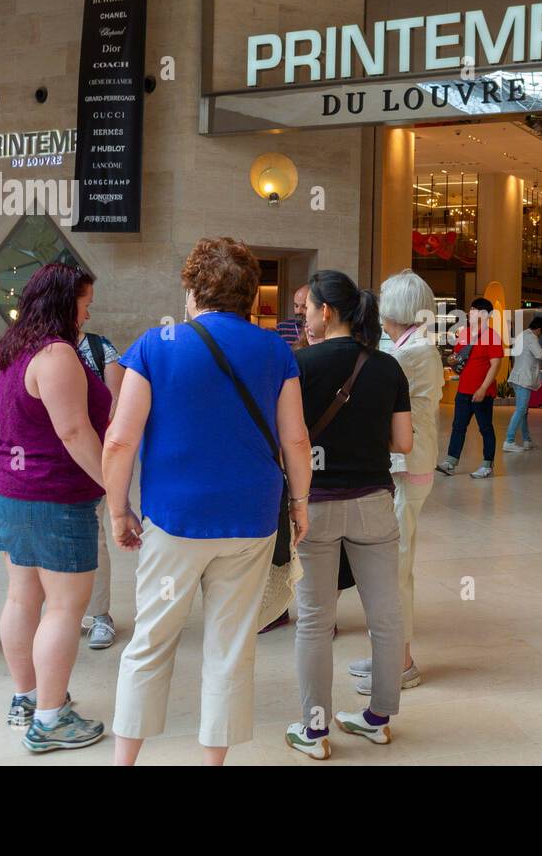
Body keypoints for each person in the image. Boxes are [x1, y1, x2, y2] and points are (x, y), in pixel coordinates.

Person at [105, 238, 312, 765]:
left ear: (195, 288)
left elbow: (120, 440)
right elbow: (295, 440)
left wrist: (118, 510)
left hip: (175, 519)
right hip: (250, 519)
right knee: (230, 648)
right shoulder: (275, 349)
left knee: (151, 642)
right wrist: (302, 504)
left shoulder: (156, 344)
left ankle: (124, 762)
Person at [0, 263, 110, 752]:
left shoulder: (18, 348)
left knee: (23, 596)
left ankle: (28, 697)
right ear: (63, 302)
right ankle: (51, 720)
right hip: (51, 493)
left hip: (6, 488)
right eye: (84, 302)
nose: (89, 310)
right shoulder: (57, 355)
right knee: (63, 606)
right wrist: (116, 492)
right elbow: (74, 433)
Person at [286, 270, 412, 760]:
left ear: (326, 312)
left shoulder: (300, 365)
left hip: (315, 505)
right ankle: (378, 719)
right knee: (385, 615)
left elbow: (290, 438)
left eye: (308, 307)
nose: (304, 315)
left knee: (315, 621)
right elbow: (402, 442)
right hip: (374, 504)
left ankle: (314, 732)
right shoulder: (387, 367)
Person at [347, 269, 444, 693]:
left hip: (406, 469)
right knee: (391, 567)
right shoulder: (407, 345)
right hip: (402, 467)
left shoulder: (414, 352)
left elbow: (371, 378)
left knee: (395, 569)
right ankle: (387, 653)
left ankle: (401, 662)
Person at [76, 323, 125, 651]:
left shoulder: (100, 348)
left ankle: (99, 615)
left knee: (94, 535)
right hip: (47, 459)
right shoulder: (36, 345)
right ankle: (60, 611)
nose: (88, 311)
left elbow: (117, 404)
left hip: (91, 451)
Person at [437, 297, 503, 478]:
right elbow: (457, 358)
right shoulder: (465, 334)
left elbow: (495, 365)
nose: (469, 312)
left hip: (482, 392)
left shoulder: (492, 336)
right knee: (458, 426)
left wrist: (482, 388)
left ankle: (487, 464)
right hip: (463, 390)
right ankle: (451, 461)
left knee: (485, 428)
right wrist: (452, 361)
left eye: (473, 309)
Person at [503, 315, 542, 453]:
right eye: (541, 333)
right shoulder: (531, 337)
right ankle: (509, 441)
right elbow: (539, 354)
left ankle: (527, 440)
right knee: (521, 410)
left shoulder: (521, 335)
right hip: (524, 378)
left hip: (517, 377)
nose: (540, 336)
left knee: (523, 411)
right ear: (539, 329)